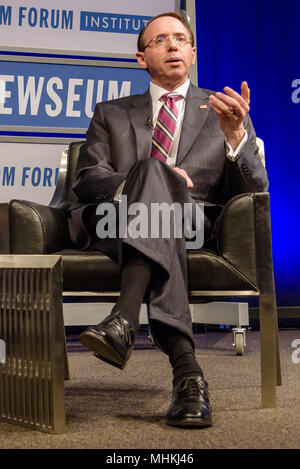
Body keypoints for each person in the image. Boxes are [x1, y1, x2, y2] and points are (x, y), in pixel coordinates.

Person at [68, 12, 268, 428]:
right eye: (161, 40)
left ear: (193, 53)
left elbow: (253, 192)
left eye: (181, 39)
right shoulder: (110, 112)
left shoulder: (227, 112)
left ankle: (124, 320)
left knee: (163, 209)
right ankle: (187, 374)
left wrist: (236, 140)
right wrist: (151, 179)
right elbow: (88, 179)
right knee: (153, 180)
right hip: (115, 220)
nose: (173, 45)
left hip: (194, 224)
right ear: (142, 58)